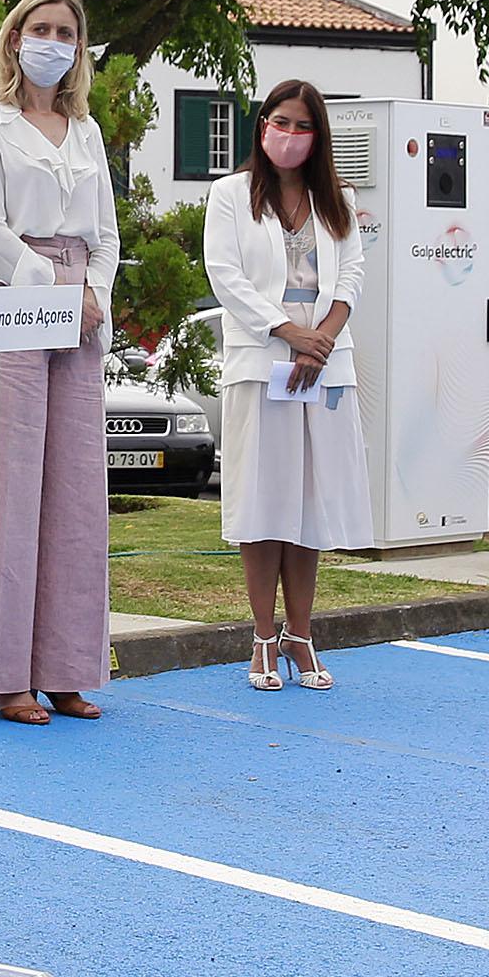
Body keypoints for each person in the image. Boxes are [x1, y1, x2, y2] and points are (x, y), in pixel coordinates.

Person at [0, 0, 122, 725]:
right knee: (10, 487)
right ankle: (3, 671)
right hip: (10, 294)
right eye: (40, 27)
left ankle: (66, 665)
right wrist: (56, 288)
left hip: (79, 304)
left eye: (66, 31)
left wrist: (93, 295)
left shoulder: (84, 130)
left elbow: (107, 233)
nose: (53, 41)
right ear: (15, 37)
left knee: (75, 491)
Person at [203, 79, 372, 690]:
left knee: (309, 504)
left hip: (326, 366)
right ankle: (262, 637)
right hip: (262, 362)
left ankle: (302, 634)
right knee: (262, 504)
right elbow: (225, 275)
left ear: (318, 136)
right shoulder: (229, 195)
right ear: (262, 126)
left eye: (303, 126)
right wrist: (287, 333)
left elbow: (351, 275)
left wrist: (320, 338)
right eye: (281, 122)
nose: (290, 135)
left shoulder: (338, 202)